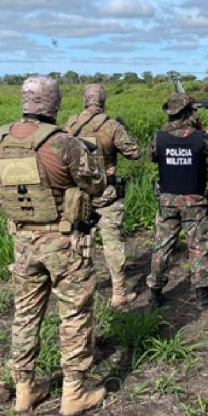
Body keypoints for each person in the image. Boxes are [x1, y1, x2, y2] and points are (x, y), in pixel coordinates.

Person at [0, 75, 107, 416]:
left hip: (22, 240)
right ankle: (74, 393)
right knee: (75, 315)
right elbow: (96, 185)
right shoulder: (63, 143)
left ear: (24, 101)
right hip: (64, 242)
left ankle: (24, 390)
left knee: (25, 314)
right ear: (53, 104)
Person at [63, 84, 140, 309]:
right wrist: (123, 131)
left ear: (85, 100)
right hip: (106, 195)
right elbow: (134, 153)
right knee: (112, 242)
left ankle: (77, 289)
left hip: (77, 196)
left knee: (78, 240)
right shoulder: (111, 126)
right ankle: (118, 293)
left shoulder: (70, 124)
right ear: (103, 101)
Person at [147, 93, 208, 310]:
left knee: (162, 246)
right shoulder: (200, 138)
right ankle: (202, 295)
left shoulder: (158, 138)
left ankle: (155, 293)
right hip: (194, 203)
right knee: (198, 247)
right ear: (188, 113)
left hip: (167, 201)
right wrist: (203, 129)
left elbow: (152, 156)